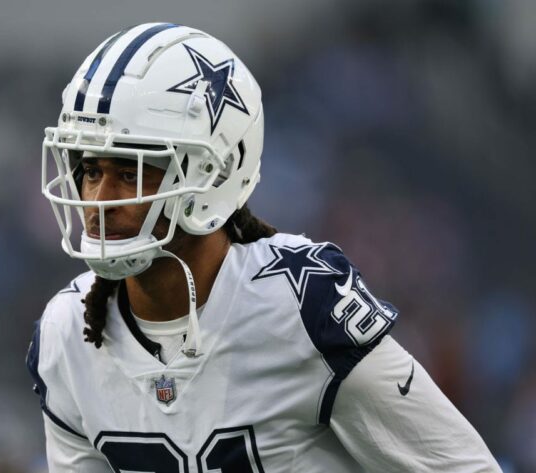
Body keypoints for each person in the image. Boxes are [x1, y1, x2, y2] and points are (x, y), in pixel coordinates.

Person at [28, 22, 501, 472]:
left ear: (212, 172)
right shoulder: (67, 333)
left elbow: (459, 464)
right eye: (92, 171)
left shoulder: (301, 302)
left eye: (131, 173)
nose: (99, 200)